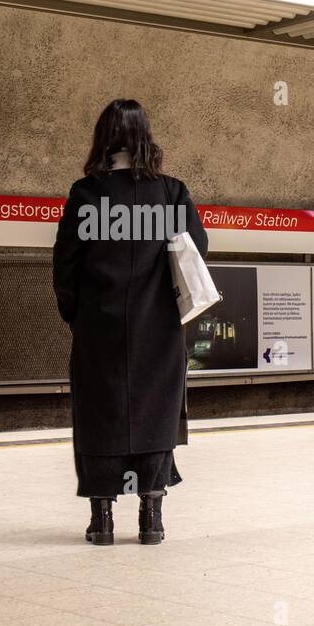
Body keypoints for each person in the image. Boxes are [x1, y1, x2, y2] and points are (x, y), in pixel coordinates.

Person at [52, 99, 207, 546]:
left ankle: (102, 520)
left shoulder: (85, 195)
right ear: (146, 137)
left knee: (100, 415)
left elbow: (64, 267)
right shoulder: (173, 193)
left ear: (103, 137)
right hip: (159, 331)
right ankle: (151, 517)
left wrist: (79, 317)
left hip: (99, 330)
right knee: (154, 412)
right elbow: (197, 255)